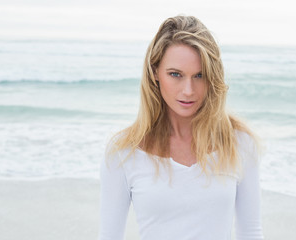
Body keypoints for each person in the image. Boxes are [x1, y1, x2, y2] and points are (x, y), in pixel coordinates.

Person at [99, 15, 264, 240]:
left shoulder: (240, 143)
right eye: (175, 74)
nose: (188, 90)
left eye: (199, 75)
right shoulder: (123, 151)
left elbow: (251, 234)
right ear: (155, 72)